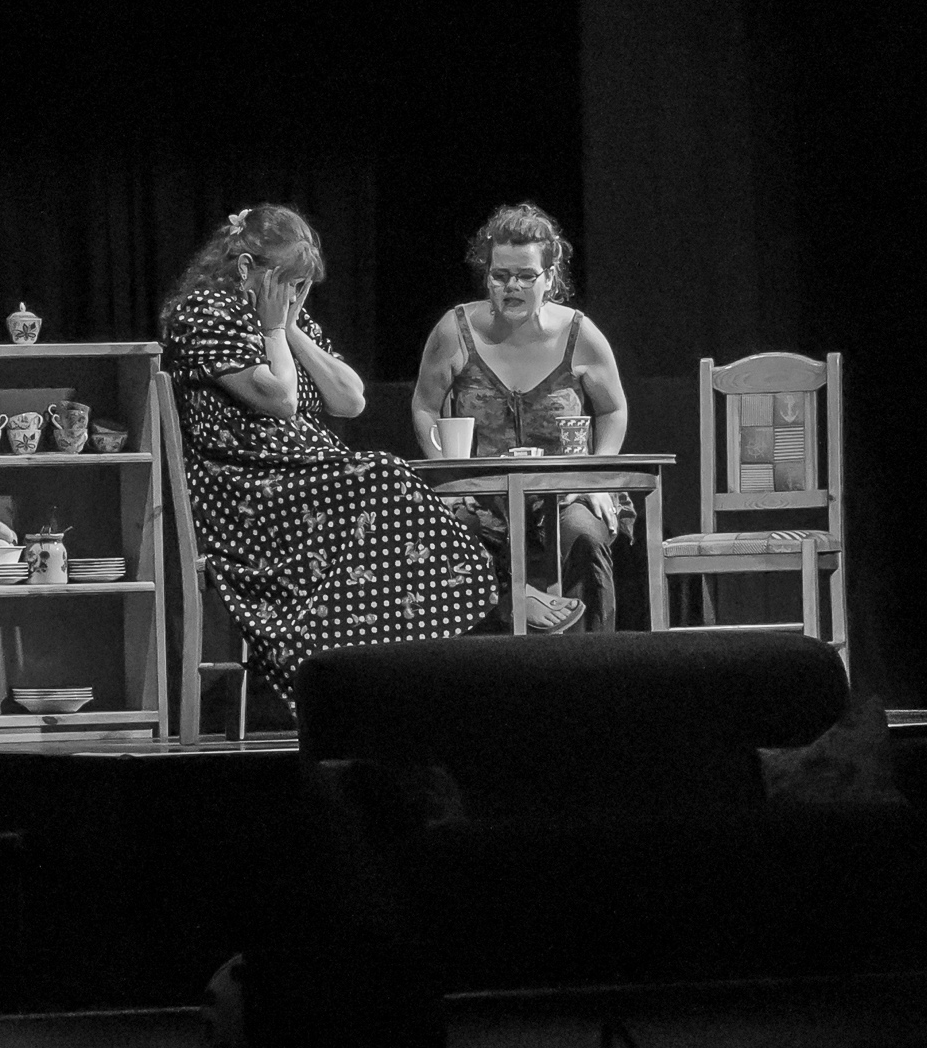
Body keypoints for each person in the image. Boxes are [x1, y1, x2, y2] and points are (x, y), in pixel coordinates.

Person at [163, 205, 503, 716]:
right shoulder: (206, 314)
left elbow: (351, 399)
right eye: (289, 283)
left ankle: (379, 679)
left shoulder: (284, 316)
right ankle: (332, 672)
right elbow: (280, 400)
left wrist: (290, 328)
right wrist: (274, 330)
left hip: (302, 478)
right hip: (245, 489)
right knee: (383, 475)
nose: (296, 297)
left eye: (304, 287)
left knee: (389, 504)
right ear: (246, 268)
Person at [409, 203, 628, 632]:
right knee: (449, 534)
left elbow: (613, 409)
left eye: (526, 275)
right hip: (482, 495)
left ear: (550, 277)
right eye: (500, 275)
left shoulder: (579, 334)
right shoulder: (455, 330)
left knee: (584, 533)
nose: (512, 286)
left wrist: (596, 477)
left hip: (564, 493)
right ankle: (487, 654)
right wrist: (450, 479)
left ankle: (590, 659)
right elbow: (425, 407)